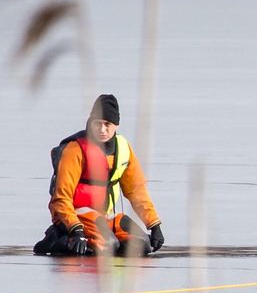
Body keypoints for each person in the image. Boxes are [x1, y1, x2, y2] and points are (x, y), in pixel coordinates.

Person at [35, 93, 166, 256]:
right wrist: (75, 229)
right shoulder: (75, 150)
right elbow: (61, 198)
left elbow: (137, 191)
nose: (102, 130)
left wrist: (154, 225)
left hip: (104, 216)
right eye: (98, 124)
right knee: (108, 245)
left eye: (107, 124)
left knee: (140, 246)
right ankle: (57, 238)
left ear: (116, 125)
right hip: (74, 215)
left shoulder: (124, 149)